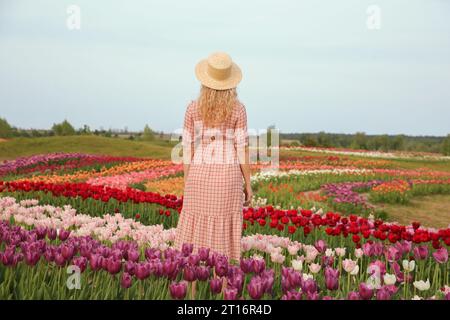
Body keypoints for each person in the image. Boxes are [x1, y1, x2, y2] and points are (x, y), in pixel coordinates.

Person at [174, 52, 252, 267]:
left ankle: (191, 284)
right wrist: (248, 184)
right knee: (223, 224)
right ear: (231, 82)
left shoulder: (193, 107)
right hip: (227, 174)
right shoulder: (238, 108)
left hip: (199, 171)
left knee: (195, 224)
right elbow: (242, 148)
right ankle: (224, 284)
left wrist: (187, 180)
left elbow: (188, 146)